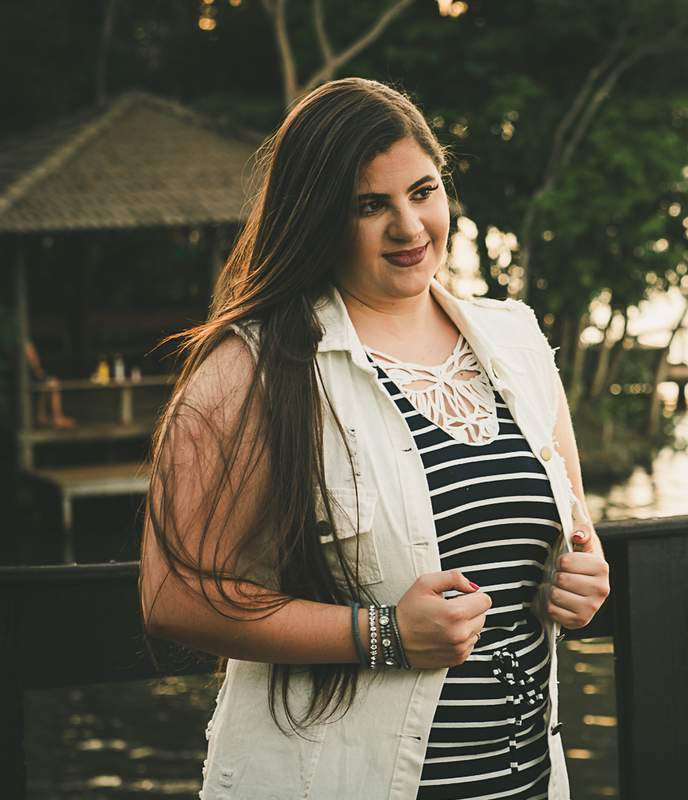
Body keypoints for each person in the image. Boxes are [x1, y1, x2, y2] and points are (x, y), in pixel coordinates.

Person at [140, 78, 609, 800]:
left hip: (525, 782)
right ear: (317, 217)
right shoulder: (253, 369)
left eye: (423, 191)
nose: (409, 226)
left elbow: (574, 529)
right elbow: (174, 597)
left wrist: (580, 577)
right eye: (370, 205)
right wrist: (382, 634)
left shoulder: (515, 339)